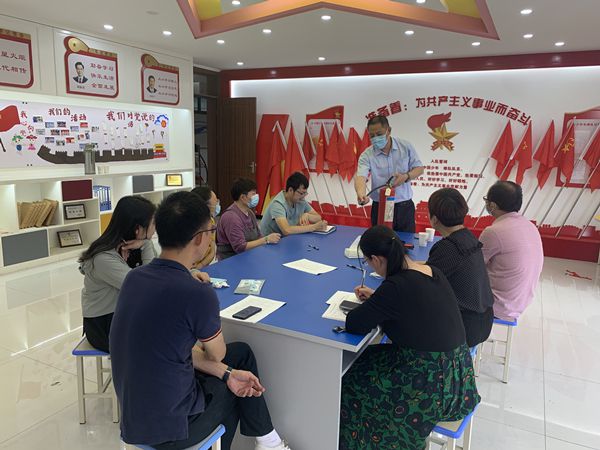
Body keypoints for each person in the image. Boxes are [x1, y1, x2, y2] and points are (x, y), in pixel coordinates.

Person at [110, 192, 291, 450]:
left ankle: (268, 440)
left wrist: (226, 373)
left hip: (133, 421)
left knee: (238, 358)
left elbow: (170, 349)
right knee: (235, 385)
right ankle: (268, 441)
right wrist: (226, 373)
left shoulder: (134, 278)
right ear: (199, 238)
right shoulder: (197, 293)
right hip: (173, 430)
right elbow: (217, 354)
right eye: (211, 230)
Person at [339, 226, 479, 450]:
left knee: (348, 384)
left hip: (430, 387)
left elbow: (355, 323)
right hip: (459, 377)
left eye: (367, 261)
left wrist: (378, 301)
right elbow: (415, 304)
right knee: (367, 360)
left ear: (376, 259)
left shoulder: (395, 287)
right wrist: (378, 299)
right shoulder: (432, 271)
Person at [78, 196, 156, 352]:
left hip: (125, 313)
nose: (155, 228)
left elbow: (161, 270)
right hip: (104, 325)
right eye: (153, 223)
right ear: (138, 229)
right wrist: (146, 244)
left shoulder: (133, 245)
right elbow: (148, 286)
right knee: (169, 337)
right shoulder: (103, 258)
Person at [426, 188, 494, 347]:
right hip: (484, 320)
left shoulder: (447, 247)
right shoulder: (468, 237)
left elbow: (423, 283)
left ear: (434, 219)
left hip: (464, 329)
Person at [480, 181, 544, 321]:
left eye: (487, 200)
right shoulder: (529, 226)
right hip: (520, 302)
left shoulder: (494, 232)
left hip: (499, 306)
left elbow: (473, 265)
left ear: (492, 205)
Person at [354, 115, 424, 232]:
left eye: (379, 134)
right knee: (380, 240)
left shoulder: (405, 146)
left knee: (406, 241)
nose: (376, 138)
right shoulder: (367, 155)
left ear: (389, 130)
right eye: (372, 136)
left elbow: (419, 168)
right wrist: (361, 194)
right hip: (380, 207)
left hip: (404, 207)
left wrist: (406, 176)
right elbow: (361, 176)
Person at [217, 178, 281, 260]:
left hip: (249, 255)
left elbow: (258, 236)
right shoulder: (231, 217)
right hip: (231, 259)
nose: (256, 196)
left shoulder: (250, 213)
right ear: (243, 197)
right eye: (253, 194)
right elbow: (240, 247)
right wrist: (266, 239)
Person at [260, 172, 327, 236]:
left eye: (305, 193)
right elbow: (286, 230)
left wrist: (308, 216)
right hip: (270, 241)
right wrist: (314, 227)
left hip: (289, 237)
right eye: (301, 193)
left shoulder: (300, 200)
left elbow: (318, 218)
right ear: (290, 190)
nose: (303, 196)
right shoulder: (278, 204)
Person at [191, 185, 219, 267]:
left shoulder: (211, 222)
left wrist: (201, 266)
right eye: (215, 201)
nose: (217, 204)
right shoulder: (188, 226)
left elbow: (212, 251)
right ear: (205, 206)